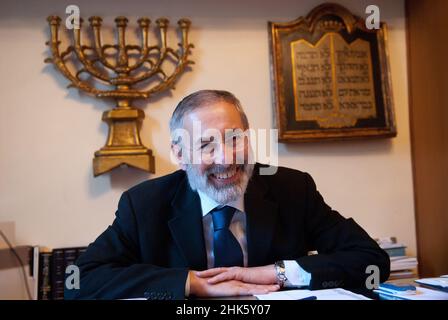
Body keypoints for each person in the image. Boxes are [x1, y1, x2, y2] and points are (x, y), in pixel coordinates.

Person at [65, 90, 390, 300]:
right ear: (180, 153)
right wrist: (190, 283)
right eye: (206, 144)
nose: (226, 158)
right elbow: (78, 280)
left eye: (235, 138)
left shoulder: (292, 189)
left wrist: (278, 272)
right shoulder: (145, 204)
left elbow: (372, 262)